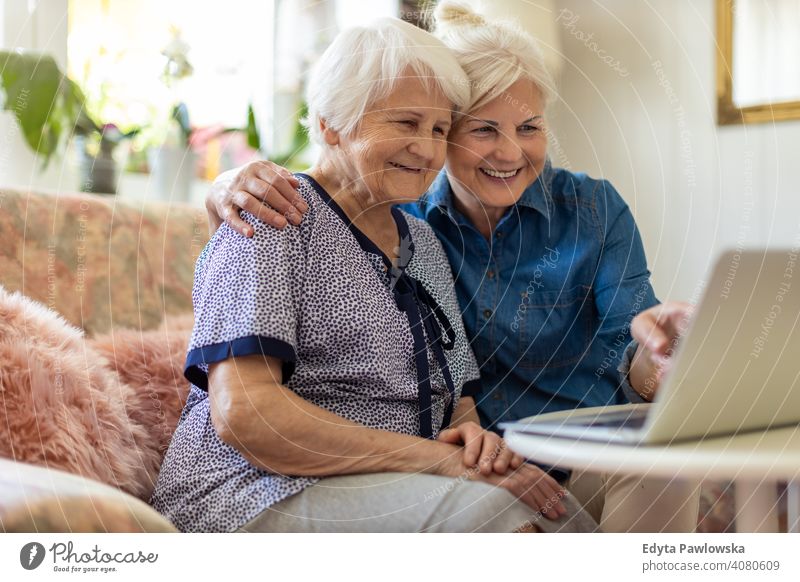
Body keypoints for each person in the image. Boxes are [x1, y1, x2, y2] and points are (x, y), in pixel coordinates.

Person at [205, 2, 700, 532]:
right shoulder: (347, 211)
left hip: (542, 455)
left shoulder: (425, 238)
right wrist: (220, 192)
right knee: (526, 525)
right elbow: (246, 400)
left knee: (659, 464)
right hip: (396, 476)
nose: (509, 152)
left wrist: (663, 355)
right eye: (482, 129)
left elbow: (463, 393)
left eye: (529, 126)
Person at [151, 15, 596, 533]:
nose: (428, 149)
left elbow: (455, 404)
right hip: (253, 491)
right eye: (406, 123)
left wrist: (474, 445)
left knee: (563, 517)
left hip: (395, 482)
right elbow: (246, 415)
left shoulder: (422, 240)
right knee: (504, 522)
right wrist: (437, 461)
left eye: (438, 129)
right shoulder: (272, 217)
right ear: (329, 125)